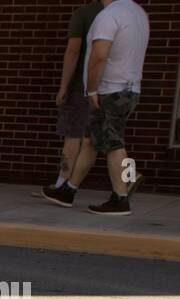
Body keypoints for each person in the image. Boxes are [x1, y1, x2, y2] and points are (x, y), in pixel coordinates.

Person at [43, 0, 149, 215]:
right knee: (91, 140)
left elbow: (99, 55)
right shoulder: (138, 13)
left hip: (110, 90)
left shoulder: (108, 15)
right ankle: (68, 190)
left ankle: (120, 199)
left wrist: (91, 90)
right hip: (129, 86)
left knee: (113, 143)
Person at [46, 2, 102, 193]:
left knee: (73, 135)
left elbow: (73, 50)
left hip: (82, 83)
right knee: (99, 139)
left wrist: (63, 86)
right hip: (114, 86)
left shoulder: (85, 13)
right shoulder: (132, 14)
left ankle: (62, 183)